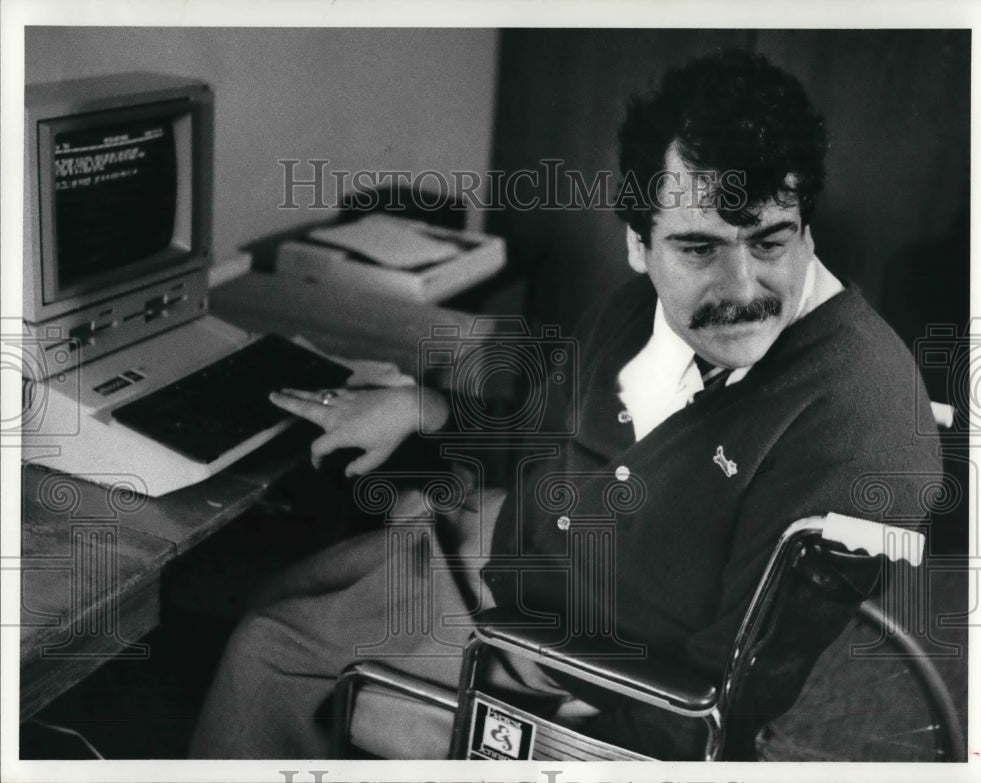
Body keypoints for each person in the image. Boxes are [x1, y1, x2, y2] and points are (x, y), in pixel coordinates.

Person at [189, 50, 942, 759]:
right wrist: (429, 411)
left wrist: (530, 736)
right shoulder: (642, 310)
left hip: (557, 661)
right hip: (515, 553)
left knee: (269, 652)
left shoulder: (856, 416)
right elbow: (563, 428)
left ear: (806, 226)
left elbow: (710, 715)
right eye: (699, 249)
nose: (742, 291)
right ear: (637, 245)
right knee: (273, 587)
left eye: (771, 241)